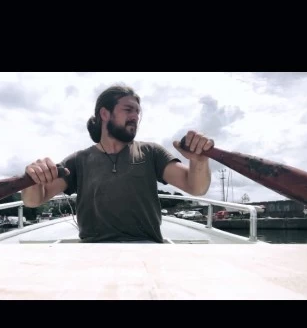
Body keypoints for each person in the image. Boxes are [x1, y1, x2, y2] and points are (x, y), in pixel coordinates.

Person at [22, 85, 214, 243]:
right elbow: (33, 201)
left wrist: (199, 161)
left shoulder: (151, 152)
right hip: (92, 250)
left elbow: (196, 188)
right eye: (128, 110)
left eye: (137, 112)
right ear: (105, 113)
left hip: (146, 246)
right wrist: (34, 179)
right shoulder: (78, 160)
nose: (135, 116)